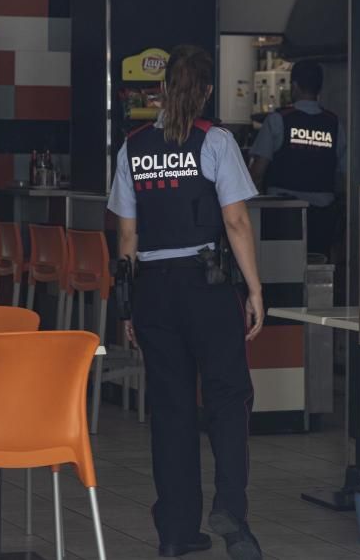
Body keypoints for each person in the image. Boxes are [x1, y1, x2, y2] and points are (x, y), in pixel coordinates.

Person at [108, 45, 264, 559]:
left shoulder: (132, 147)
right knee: (227, 397)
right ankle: (231, 513)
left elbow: (126, 237)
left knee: (171, 409)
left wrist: (127, 307)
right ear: (207, 92)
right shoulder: (214, 141)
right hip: (207, 285)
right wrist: (255, 289)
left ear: (161, 90)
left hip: (153, 289)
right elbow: (236, 221)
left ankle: (176, 531)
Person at [247, 60, 346, 260]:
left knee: (282, 272)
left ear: (294, 86)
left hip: (283, 215)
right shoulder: (333, 123)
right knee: (319, 269)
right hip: (322, 215)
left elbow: (257, 172)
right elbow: (343, 175)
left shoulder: (278, 119)